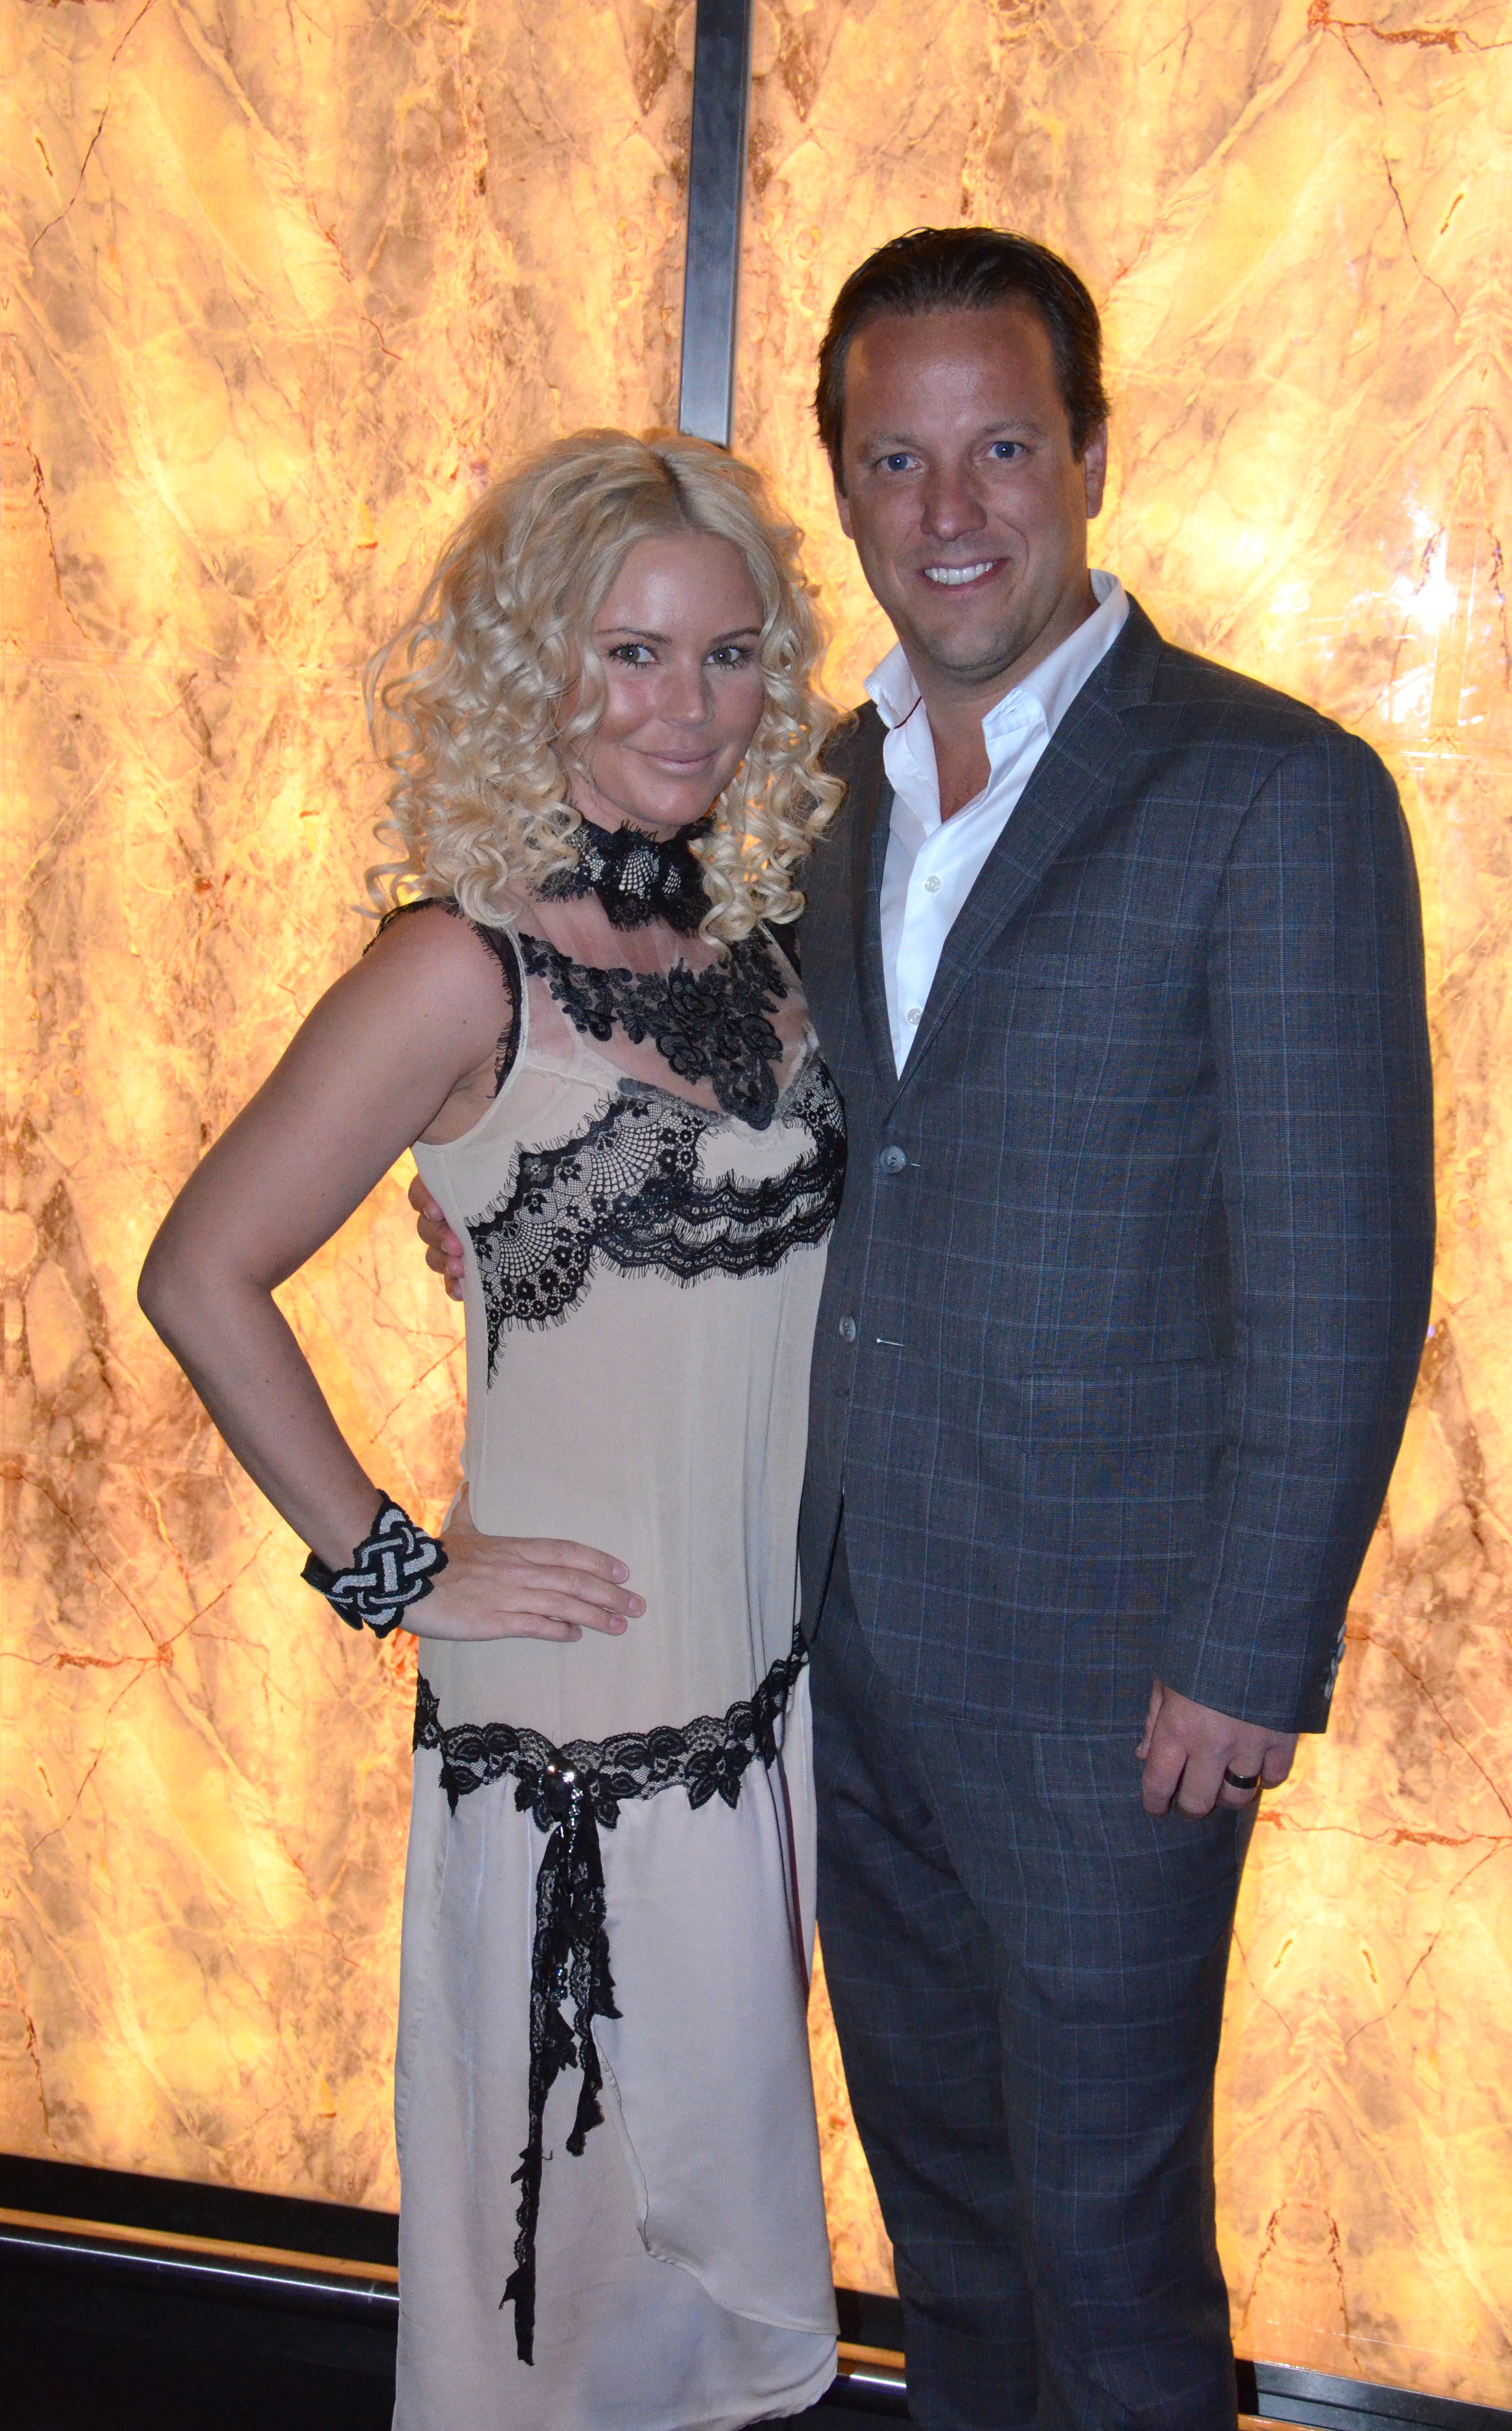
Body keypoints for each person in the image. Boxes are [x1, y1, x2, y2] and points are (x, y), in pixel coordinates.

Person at [412, 229, 1437, 2431]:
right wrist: (503, 1191)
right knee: (948, 2227)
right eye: (897, 460)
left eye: (1001, 449)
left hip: (1117, 1686)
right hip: (829, 1657)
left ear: (1091, 454)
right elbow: (707, 1095)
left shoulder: (1273, 791)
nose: (951, 509)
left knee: (1110, 2248)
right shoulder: (812, 797)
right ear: (845, 490)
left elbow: (1345, 1269)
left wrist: (1253, 1647)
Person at [139, 431, 851, 2431]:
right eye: (631, 652)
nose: (686, 706)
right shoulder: (457, 968)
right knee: (558, 2292)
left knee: (694, 2293)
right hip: (572, 1727)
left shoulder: (763, 949)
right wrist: (396, 1567)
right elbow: (199, 1273)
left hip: (761, 1707)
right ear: (540, 667)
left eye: (727, 655)